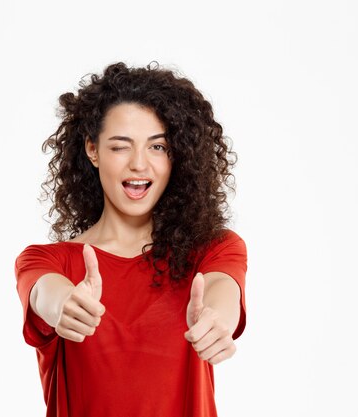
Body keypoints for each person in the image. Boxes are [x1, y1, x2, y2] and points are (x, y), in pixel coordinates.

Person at [15, 61, 248, 417]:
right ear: (92, 150)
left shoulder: (212, 249)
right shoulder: (46, 261)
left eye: (157, 147)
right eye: (121, 146)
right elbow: (45, 293)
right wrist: (64, 305)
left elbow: (221, 291)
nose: (140, 164)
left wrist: (217, 320)